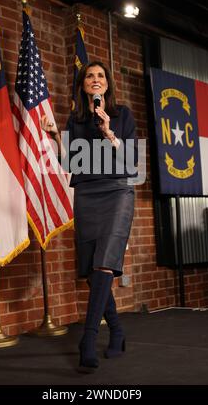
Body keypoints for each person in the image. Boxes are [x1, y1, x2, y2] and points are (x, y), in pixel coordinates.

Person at [41, 60, 137, 373]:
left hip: (117, 191)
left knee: (105, 262)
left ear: (107, 84)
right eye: (89, 77)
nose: (95, 80)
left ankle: (89, 337)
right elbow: (71, 161)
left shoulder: (122, 114)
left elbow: (133, 160)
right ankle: (118, 331)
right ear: (83, 86)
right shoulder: (77, 118)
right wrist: (56, 136)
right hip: (87, 192)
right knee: (92, 271)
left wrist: (110, 132)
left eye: (100, 76)